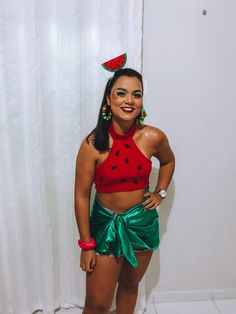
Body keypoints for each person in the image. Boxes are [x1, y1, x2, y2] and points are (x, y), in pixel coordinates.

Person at [74, 68, 175, 314]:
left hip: (142, 224)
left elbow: (168, 161)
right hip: (106, 226)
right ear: (109, 99)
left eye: (136, 94)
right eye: (121, 93)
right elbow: (81, 196)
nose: (129, 100)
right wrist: (87, 245)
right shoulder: (93, 144)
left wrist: (160, 192)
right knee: (97, 304)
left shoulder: (153, 136)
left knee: (130, 287)